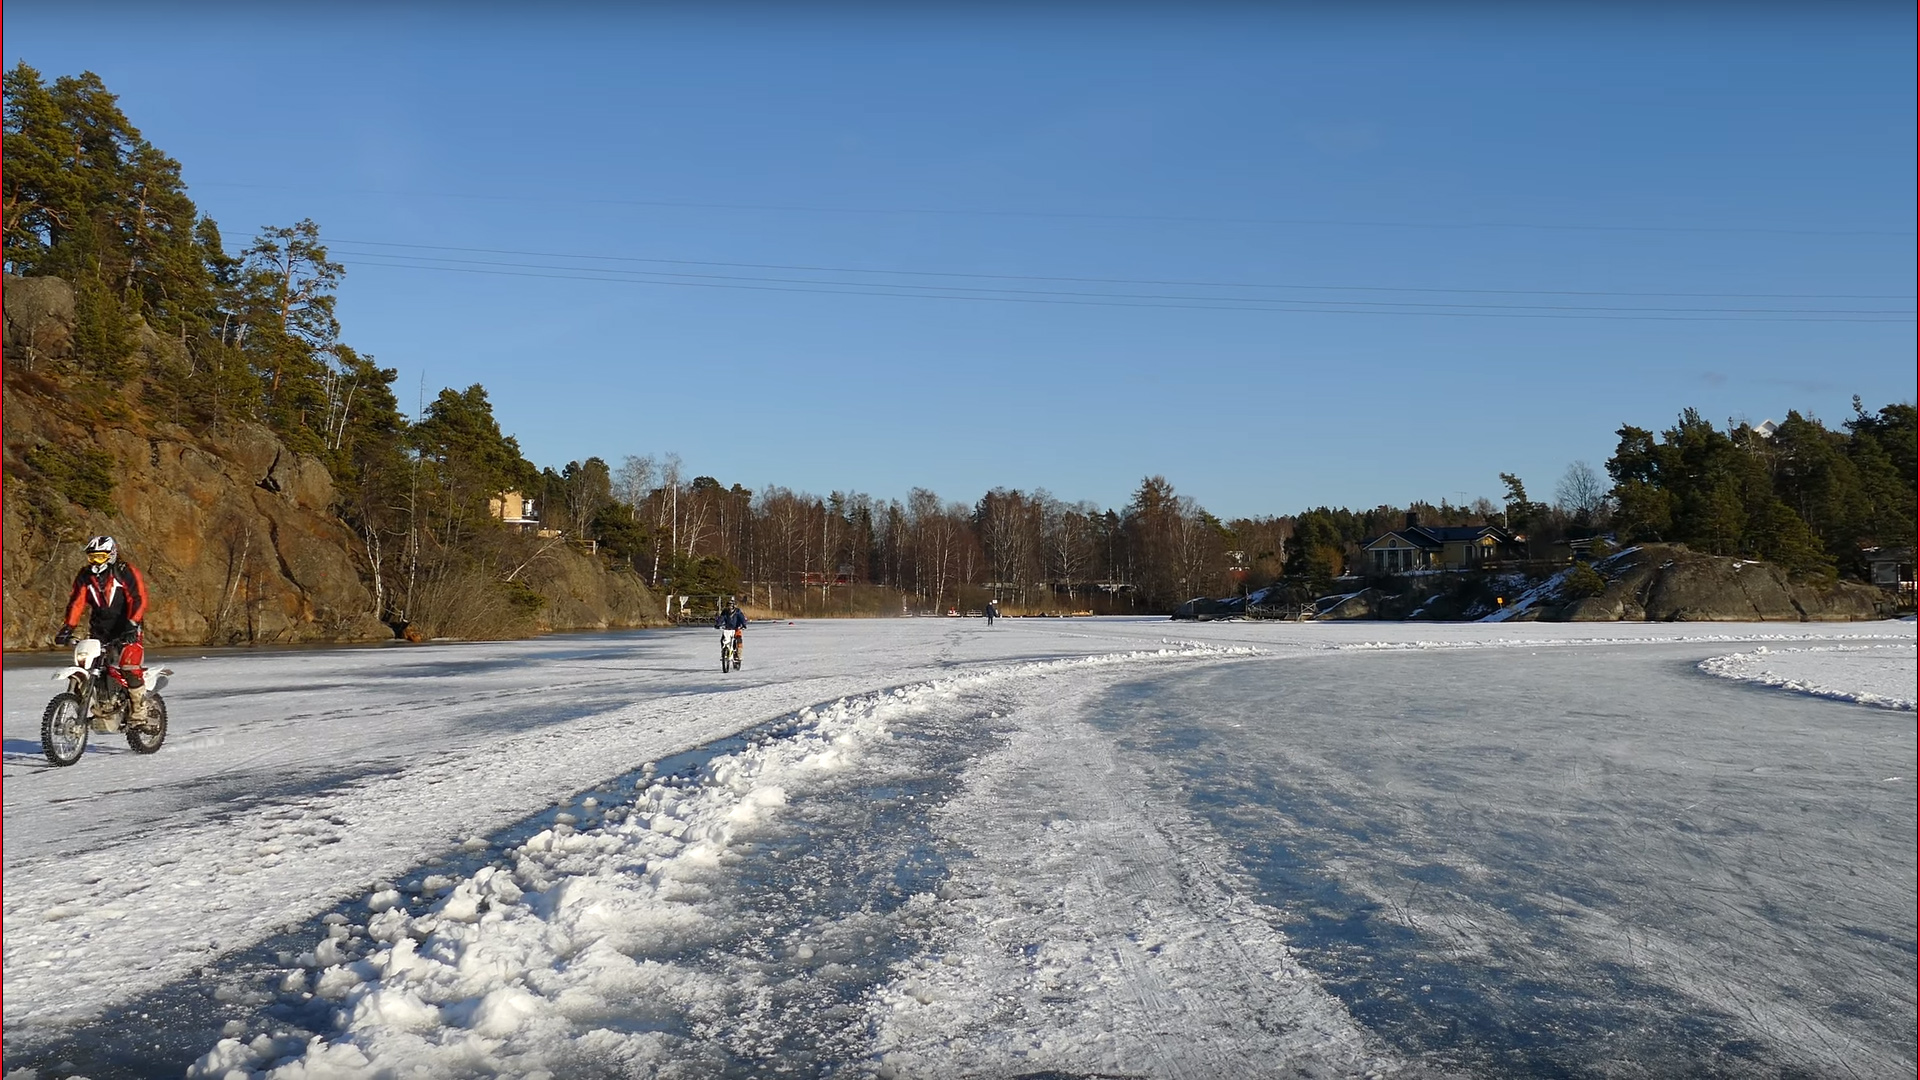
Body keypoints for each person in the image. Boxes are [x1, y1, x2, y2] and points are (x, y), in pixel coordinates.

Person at [55, 535, 155, 724]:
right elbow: (77, 602)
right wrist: (68, 627)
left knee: (129, 666)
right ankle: (100, 703)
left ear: (111, 555)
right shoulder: (86, 575)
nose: (95, 562)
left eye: (100, 557)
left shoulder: (124, 571)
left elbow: (138, 598)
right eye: (91, 557)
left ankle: (139, 709)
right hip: (99, 629)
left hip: (127, 627)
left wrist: (133, 623)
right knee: (91, 665)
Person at [715, 595, 747, 667]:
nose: (729, 607)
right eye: (728, 606)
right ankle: (724, 652)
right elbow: (721, 618)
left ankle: (738, 655)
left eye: (731, 606)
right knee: (723, 639)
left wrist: (743, 624)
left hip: (736, 629)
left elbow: (742, 618)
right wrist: (718, 624)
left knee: (738, 641)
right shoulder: (725, 612)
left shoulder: (738, 612)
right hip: (728, 629)